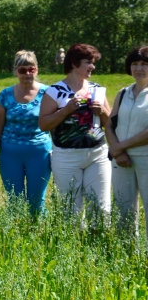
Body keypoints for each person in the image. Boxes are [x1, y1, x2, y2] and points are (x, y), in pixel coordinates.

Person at [39, 43, 111, 218]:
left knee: (101, 209)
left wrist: (102, 111)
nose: (92, 66)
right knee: (71, 211)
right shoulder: (54, 91)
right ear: (73, 63)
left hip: (97, 154)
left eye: (93, 62)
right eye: (89, 62)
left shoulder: (97, 89)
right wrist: (65, 111)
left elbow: (110, 122)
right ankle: (76, 245)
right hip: (66, 156)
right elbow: (44, 124)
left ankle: (98, 243)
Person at [0, 51, 52, 215]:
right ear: (15, 71)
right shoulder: (5, 95)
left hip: (39, 153)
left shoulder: (48, 93)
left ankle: (38, 234)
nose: (27, 74)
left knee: (37, 200)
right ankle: (16, 234)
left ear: (36, 70)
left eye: (31, 69)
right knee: (14, 200)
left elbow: (56, 124)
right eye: (22, 70)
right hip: (10, 154)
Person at [105, 46, 148, 235]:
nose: (139, 68)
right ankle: (129, 256)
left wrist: (118, 147)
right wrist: (119, 153)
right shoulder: (123, 93)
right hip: (121, 161)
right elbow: (109, 125)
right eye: (135, 64)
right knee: (124, 211)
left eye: (145, 64)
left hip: (145, 159)